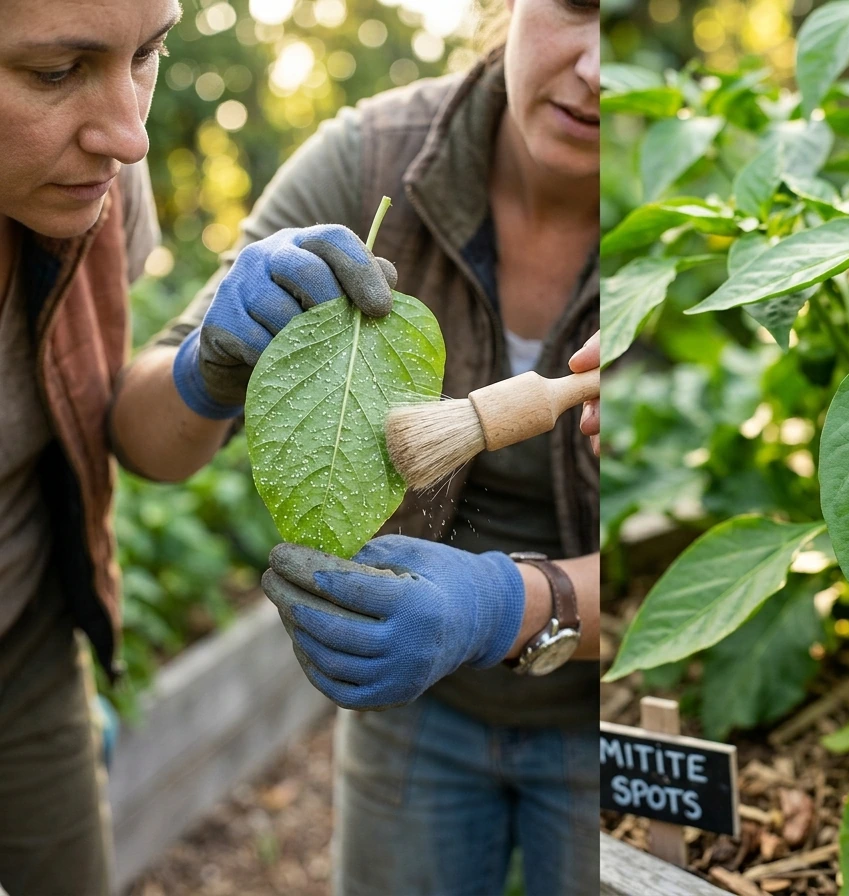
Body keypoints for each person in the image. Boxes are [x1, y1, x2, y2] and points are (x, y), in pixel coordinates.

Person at [144, 0, 601, 892]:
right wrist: (205, 366)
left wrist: (504, 605)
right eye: (577, 8)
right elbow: (146, 444)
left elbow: (690, 575)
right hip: (416, 693)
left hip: (608, 703)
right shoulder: (370, 162)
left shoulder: (678, 224)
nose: (597, 66)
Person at [0, 1, 410, 893]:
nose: (129, 137)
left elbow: (123, 430)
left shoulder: (85, 176)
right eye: (54, 72)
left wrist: (207, 369)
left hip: (25, 641)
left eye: (147, 53)